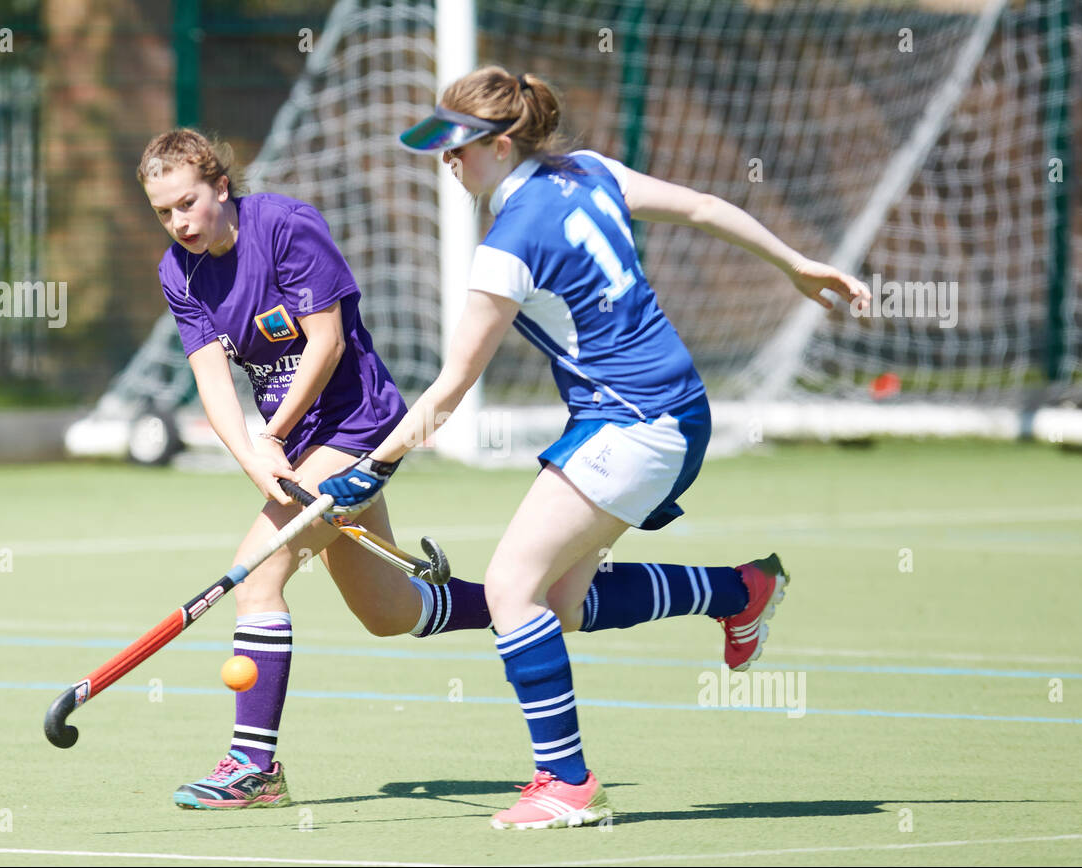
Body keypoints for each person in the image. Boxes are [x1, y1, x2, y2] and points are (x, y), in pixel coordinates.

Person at [319, 68, 871, 829]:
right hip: (665, 410)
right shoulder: (590, 172)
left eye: (459, 149)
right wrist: (795, 264)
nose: (448, 163)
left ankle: (567, 784)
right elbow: (706, 207)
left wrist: (373, 466)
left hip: (637, 421)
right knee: (560, 606)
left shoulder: (506, 246)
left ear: (502, 143)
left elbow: (451, 388)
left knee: (513, 587)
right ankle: (739, 592)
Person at [137, 129, 490, 810]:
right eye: (163, 212)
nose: (180, 223)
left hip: (358, 428)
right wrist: (256, 460)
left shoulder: (287, 228)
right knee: (389, 613)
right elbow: (212, 384)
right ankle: (524, 598)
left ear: (219, 185)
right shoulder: (178, 272)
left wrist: (270, 432)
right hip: (297, 446)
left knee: (258, 577)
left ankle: (254, 767)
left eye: (188, 203)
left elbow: (324, 345)